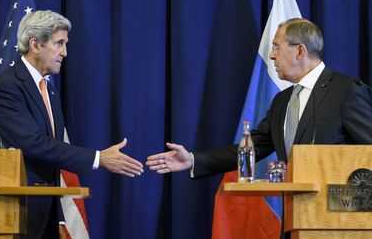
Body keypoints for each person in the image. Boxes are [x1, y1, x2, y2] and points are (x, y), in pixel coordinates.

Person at [146, 18, 372, 179]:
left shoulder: (347, 91)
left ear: (300, 51)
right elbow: (252, 147)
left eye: (276, 47)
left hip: (341, 221)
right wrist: (194, 160)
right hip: (296, 220)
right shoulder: (282, 101)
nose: (272, 55)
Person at [0, 10, 144, 239]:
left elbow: (54, 149)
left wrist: (59, 215)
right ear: (35, 45)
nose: (65, 52)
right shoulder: (7, 87)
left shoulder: (48, 88)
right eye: (59, 43)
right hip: (16, 211)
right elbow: (35, 144)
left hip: (47, 210)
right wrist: (99, 159)